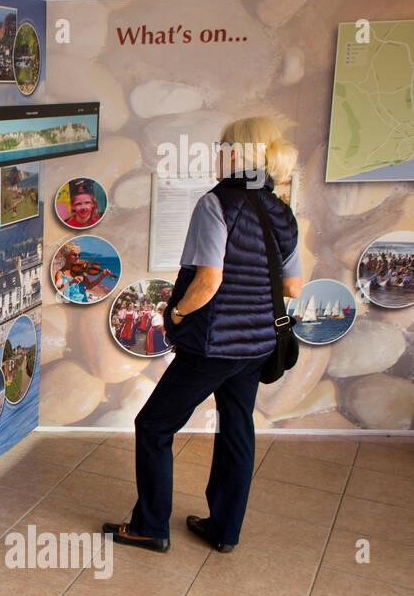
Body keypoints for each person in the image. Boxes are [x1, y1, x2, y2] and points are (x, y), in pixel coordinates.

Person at [105, 117, 303, 554]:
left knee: (154, 425)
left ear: (236, 154)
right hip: (257, 347)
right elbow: (293, 288)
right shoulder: (280, 210)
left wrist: (173, 312)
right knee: (237, 428)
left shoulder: (216, 204)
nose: (217, 154)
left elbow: (208, 282)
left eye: (221, 146)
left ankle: (150, 526)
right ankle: (224, 530)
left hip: (212, 346)